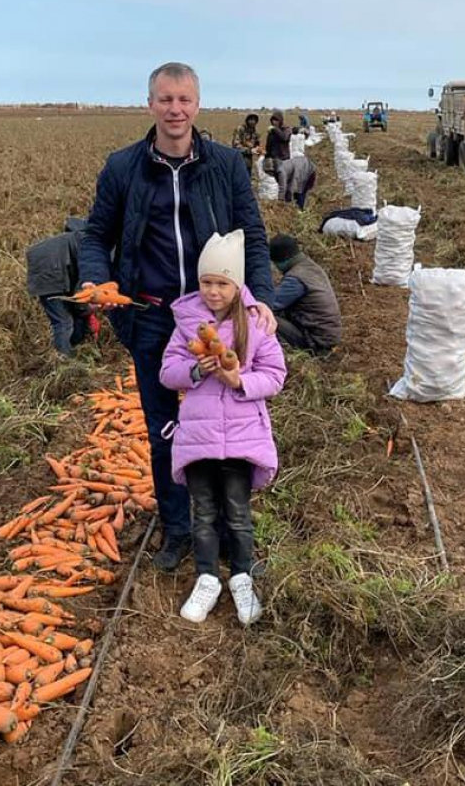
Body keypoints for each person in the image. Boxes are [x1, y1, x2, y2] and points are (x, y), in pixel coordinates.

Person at [78, 61, 277, 573]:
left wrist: (261, 303)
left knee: (227, 422)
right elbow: (97, 235)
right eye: (165, 99)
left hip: (219, 318)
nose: (175, 109)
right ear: (151, 104)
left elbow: (252, 235)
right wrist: (95, 280)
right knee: (164, 426)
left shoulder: (225, 165)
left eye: (184, 99)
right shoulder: (123, 167)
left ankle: (233, 533)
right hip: (151, 315)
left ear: (197, 104)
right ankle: (178, 528)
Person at [160, 230, 286, 624]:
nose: (213, 292)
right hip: (198, 436)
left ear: (237, 284)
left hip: (242, 436)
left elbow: (276, 375)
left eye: (222, 284)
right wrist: (196, 370)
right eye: (206, 283)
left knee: (236, 512)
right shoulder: (186, 324)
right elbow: (167, 373)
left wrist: (239, 381)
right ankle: (208, 578)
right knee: (203, 513)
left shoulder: (255, 324)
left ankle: (243, 576)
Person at [26, 217, 100, 358]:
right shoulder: (100, 250)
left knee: (74, 318)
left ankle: (74, 351)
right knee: (63, 321)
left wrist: (86, 313)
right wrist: (88, 311)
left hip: (56, 267)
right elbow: (82, 291)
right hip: (48, 269)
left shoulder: (94, 240)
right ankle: (65, 363)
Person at [269, 234, 342, 353]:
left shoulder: (295, 279)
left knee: (264, 318)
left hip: (316, 340)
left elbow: (271, 304)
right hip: (328, 334)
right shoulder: (309, 266)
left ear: (281, 259)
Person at [264, 110, 292, 200]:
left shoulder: (286, 129)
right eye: (272, 120)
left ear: (280, 120)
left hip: (283, 158)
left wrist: (275, 129)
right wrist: (266, 156)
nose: (274, 122)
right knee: (277, 179)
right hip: (274, 159)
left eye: (276, 120)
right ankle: (281, 198)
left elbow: (284, 138)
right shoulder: (272, 132)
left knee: (283, 179)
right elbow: (268, 145)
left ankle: (283, 200)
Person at [231, 113, 260, 178]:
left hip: (249, 161)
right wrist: (249, 150)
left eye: (254, 120)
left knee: (247, 179)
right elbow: (236, 146)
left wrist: (259, 150)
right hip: (238, 159)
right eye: (251, 119)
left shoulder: (255, 132)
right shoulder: (240, 129)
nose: (253, 121)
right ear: (247, 120)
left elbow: (256, 144)